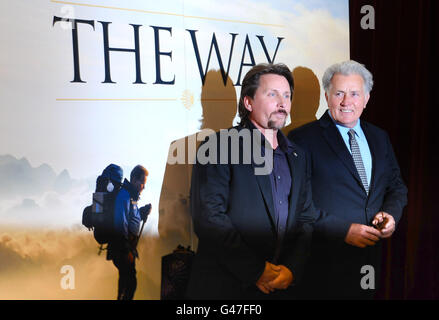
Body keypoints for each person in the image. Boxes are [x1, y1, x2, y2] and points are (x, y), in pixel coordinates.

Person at [186, 63, 316, 300]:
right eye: (272, 94)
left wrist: (291, 269)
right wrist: (256, 271)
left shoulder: (299, 156)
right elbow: (209, 218)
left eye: (287, 95)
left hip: (281, 289)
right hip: (227, 289)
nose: (283, 103)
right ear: (248, 102)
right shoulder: (218, 146)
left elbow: (306, 219)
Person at [288, 60, 408, 299]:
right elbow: (297, 203)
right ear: (326, 96)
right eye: (339, 93)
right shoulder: (301, 139)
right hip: (323, 264)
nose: (346, 102)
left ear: (366, 98)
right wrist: (342, 230)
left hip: (370, 261)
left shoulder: (379, 137)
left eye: (354, 93)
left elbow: (396, 186)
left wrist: (390, 215)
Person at [107, 165, 150, 300]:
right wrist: (125, 249)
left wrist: (142, 212)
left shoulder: (131, 196)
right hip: (122, 248)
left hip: (125, 247)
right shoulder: (125, 195)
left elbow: (132, 218)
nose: (143, 186)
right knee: (131, 283)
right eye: (142, 182)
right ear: (133, 179)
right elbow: (121, 221)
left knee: (125, 281)